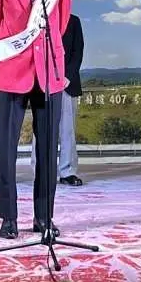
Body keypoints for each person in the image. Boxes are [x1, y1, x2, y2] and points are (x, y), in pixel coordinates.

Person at [0, 0, 73, 240]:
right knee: (6, 148)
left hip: (48, 70)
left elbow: (61, 22)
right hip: (13, 70)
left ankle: (44, 216)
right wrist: (17, 49)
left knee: (48, 148)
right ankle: (8, 217)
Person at [58, 13, 85, 186]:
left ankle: (67, 172)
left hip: (67, 83)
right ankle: (41, 171)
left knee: (68, 131)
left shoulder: (74, 21)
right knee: (41, 132)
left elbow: (78, 51)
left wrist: (67, 76)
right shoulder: (38, 18)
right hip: (44, 84)